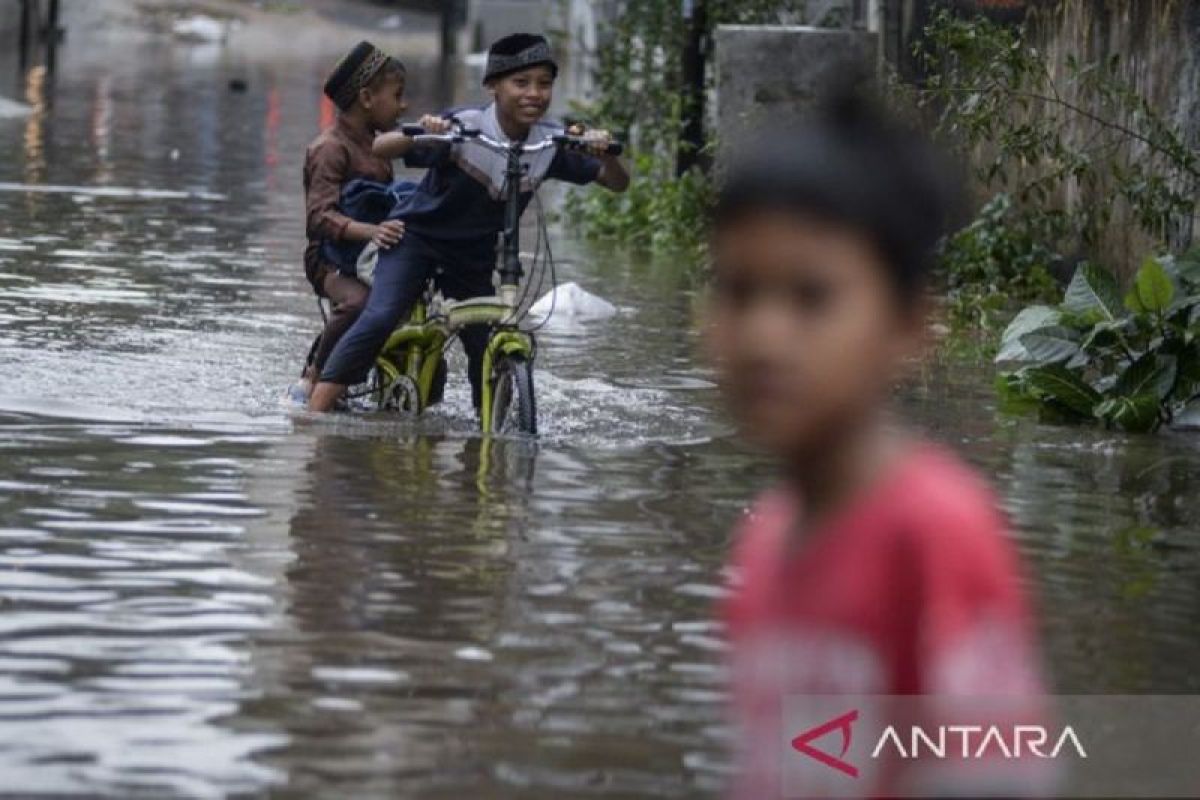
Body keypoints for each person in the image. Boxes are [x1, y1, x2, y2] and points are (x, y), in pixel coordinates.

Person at [706, 86, 1049, 798]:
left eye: (812, 297)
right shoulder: (766, 543)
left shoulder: (936, 532)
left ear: (910, 326)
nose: (765, 337)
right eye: (738, 292)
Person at [308, 33, 630, 414]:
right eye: (521, 83)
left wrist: (602, 153)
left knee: (483, 344)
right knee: (378, 316)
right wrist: (426, 131)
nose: (534, 94)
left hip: (473, 258)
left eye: (544, 84)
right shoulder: (464, 126)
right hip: (416, 242)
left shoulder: (549, 143)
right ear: (493, 86)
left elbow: (616, 183)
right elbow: (381, 147)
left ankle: (491, 434)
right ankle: (314, 413)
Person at [297, 41, 408, 399]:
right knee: (359, 303)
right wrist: (371, 232)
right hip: (329, 260)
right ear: (366, 98)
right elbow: (319, 218)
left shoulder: (379, 148)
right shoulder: (330, 148)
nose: (403, 105)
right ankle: (315, 375)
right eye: (397, 95)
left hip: (370, 256)